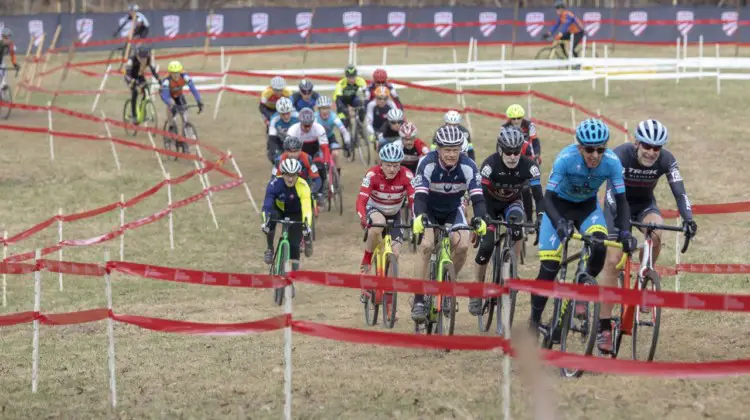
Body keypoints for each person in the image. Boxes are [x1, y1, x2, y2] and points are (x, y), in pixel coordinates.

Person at [529, 118, 636, 339]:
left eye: (600, 149)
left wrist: (625, 231)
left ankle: (581, 288)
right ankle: (534, 320)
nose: (595, 155)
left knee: (599, 246)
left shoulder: (612, 162)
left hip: (587, 208)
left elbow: (622, 200)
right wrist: (558, 222)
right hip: (558, 207)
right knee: (549, 266)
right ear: (580, 147)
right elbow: (547, 199)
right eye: (589, 149)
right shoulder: (565, 159)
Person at [597, 119, 697, 353]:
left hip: (644, 206)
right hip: (616, 206)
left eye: (657, 148)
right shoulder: (619, 156)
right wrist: (622, 229)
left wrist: (689, 219)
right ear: (636, 143)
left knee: (657, 230)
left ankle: (645, 274)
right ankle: (603, 326)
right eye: (647, 146)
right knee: (612, 262)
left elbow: (680, 193)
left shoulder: (667, 160)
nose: (652, 152)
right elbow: (611, 194)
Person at [410, 125, 487, 323]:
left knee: (462, 246)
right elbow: (419, 197)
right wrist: (419, 216)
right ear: (438, 149)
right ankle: (419, 299)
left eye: (456, 149)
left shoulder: (468, 166)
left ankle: (447, 281)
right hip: (428, 209)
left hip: (453, 210)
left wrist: (479, 218)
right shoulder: (427, 163)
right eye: (447, 150)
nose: (452, 154)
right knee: (427, 246)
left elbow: (478, 199)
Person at [469, 126, 544, 315]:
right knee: (486, 247)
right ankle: (476, 292)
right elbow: (479, 195)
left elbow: (538, 197)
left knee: (518, 225)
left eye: (516, 152)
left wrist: (541, 216)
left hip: (512, 203)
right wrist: (481, 217)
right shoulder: (489, 165)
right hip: (490, 205)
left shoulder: (529, 166)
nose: (512, 156)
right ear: (500, 150)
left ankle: (512, 267)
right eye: (508, 152)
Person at [356, 142, 415, 274]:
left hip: (394, 214)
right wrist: (363, 217)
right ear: (381, 163)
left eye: (396, 165)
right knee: (379, 223)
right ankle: (367, 257)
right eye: (388, 165)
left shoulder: (407, 176)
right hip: (374, 209)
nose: (392, 169)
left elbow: (414, 200)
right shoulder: (372, 174)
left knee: (396, 253)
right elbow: (361, 200)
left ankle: (388, 291)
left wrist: (416, 218)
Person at [261, 158, 313, 268]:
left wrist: (307, 224)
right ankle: (270, 248)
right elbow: (267, 205)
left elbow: (307, 208)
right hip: (279, 210)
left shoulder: (303, 186)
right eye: (287, 175)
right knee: (271, 219)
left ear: (298, 175)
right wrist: (266, 221)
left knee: (294, 246)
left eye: (294, 175)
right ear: (282, 174)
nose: (290, 179)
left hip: (296, 212)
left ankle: (292, 278)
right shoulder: (274, 184)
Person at [503, 103, 541, 225]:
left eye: (519, 118)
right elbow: (500, 145)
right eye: (513, 118)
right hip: (512, 157)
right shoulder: (504, 127)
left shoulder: (530, 125)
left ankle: (529, 220)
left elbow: (535, 141)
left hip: (528, 155)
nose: (516, 121)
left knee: (526, 190)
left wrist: (537, 155)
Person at [287, 108, 333, 189]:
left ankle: (321, 192)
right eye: (305, 125)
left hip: (315, 152)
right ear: (300, 122)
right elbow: (289, 150)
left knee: (320, 167)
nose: (308, 128)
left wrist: (326, 161)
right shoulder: (293, 130)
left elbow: (325, 148)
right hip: (300, 153)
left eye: (309, 125)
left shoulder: (318, 128)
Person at [159, 60, 203, 131]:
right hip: (167, 95)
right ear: (170, 73)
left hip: (178, 94)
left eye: (177, 73)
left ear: (180, 72)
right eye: (173, 73)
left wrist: (199, 100)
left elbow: (193, 89)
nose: (176, 75)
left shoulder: (185, 77)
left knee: (184, 111)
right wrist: (170, 103)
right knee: (171, 105)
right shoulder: (166, 81)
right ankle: (170, 125)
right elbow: (166, 96)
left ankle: (185, 129)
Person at [124, 45, 159, 124]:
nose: (143, 60)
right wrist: (132, 81)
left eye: (145, 57)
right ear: (137, 55)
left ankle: (142, 111)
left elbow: (153, 70)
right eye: (141, 58)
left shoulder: (148, 59)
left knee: (146, 91)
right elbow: (127, 74)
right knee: (135, 92)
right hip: (130, 76)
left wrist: (159, 80)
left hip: (139, 76)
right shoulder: (132, 60)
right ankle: (134, 115)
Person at [333, 65, 367, 131]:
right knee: (344, 119)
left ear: (356, 76)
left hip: (352, 98)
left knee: (362, 109)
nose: (352, 79)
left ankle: (361, 126)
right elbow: (338, 99)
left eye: (353, 77)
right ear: (346, 76)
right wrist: (343, 109)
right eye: (349, 77)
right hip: (341, 100)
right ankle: (345, 133)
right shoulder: (341, 83)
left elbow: (366, 92)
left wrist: (365, 101)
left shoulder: (360, 81)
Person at [266, 97, 299, 164]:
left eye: (288, 113)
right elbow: (272, 140)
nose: (286, 116)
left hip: (297, 143)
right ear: (278, 113)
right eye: (283, 114)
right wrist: (274, 155)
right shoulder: (274, 120)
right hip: (281, 143)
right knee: (274, 157)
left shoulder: (297, 117)